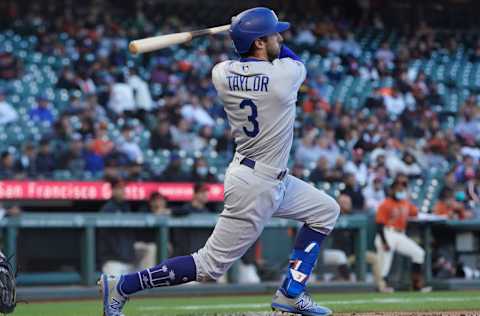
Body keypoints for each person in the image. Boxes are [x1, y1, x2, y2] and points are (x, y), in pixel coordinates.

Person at [99, 8, 339, 316]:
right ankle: (123, 285)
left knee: (325, 210)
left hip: (262, 174)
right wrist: (243, 32)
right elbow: (292, 57)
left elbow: (250, 58)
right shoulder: (284, 76)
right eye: (273, 34)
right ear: (259, 44)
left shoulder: (222, 72)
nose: (280, 37)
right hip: (256, 186)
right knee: (208, 266)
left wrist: (243, 34)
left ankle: (292, 292)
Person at [375, 177, 431, 292]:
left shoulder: (406, 203)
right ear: (392, 190)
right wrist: (384, 242)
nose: (400, 191)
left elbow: (417, 213)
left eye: (402, 189)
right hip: (387, 233)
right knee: (385, 260)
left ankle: (416, 285)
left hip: (400, 234)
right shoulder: (385, 204)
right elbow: (379, 225)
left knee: (419, 253)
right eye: (398, 189)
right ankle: (382, 286)